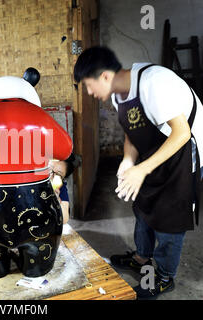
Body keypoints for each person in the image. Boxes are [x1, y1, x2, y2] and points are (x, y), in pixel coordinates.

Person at [73, 46, 202, 299]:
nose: (89, 92)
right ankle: (142, 258)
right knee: (142, 206)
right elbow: (132, 130)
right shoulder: (118, 94)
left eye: (89, 85)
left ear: (105, 77)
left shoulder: (154, 83)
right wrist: (128, 161)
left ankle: (165, 277)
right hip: (154, 151)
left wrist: (142, 168)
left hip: (182, 153)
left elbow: (182, 134)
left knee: (169, 219)